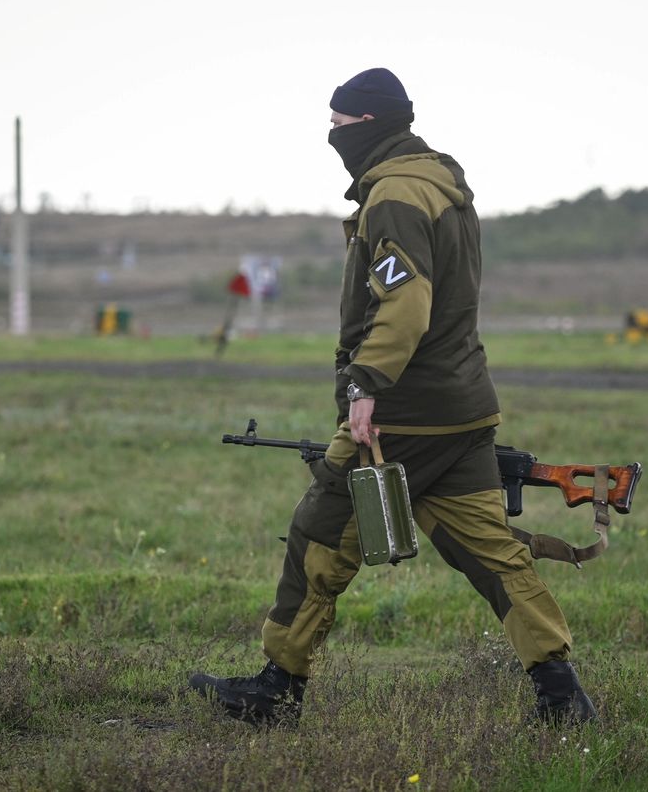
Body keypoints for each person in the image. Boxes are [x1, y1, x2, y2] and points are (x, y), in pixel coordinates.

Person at [188, 68, 594, 725]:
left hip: (402, 413)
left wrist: (367, 384)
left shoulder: (394, 200)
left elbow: (408, 302)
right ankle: (562, 695)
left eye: (340, 124)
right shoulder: (443, 188)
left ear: (372, 124)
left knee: (320, 532)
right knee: (493, 555)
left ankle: (277, 687)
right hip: (463, 408)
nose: (331, 135)